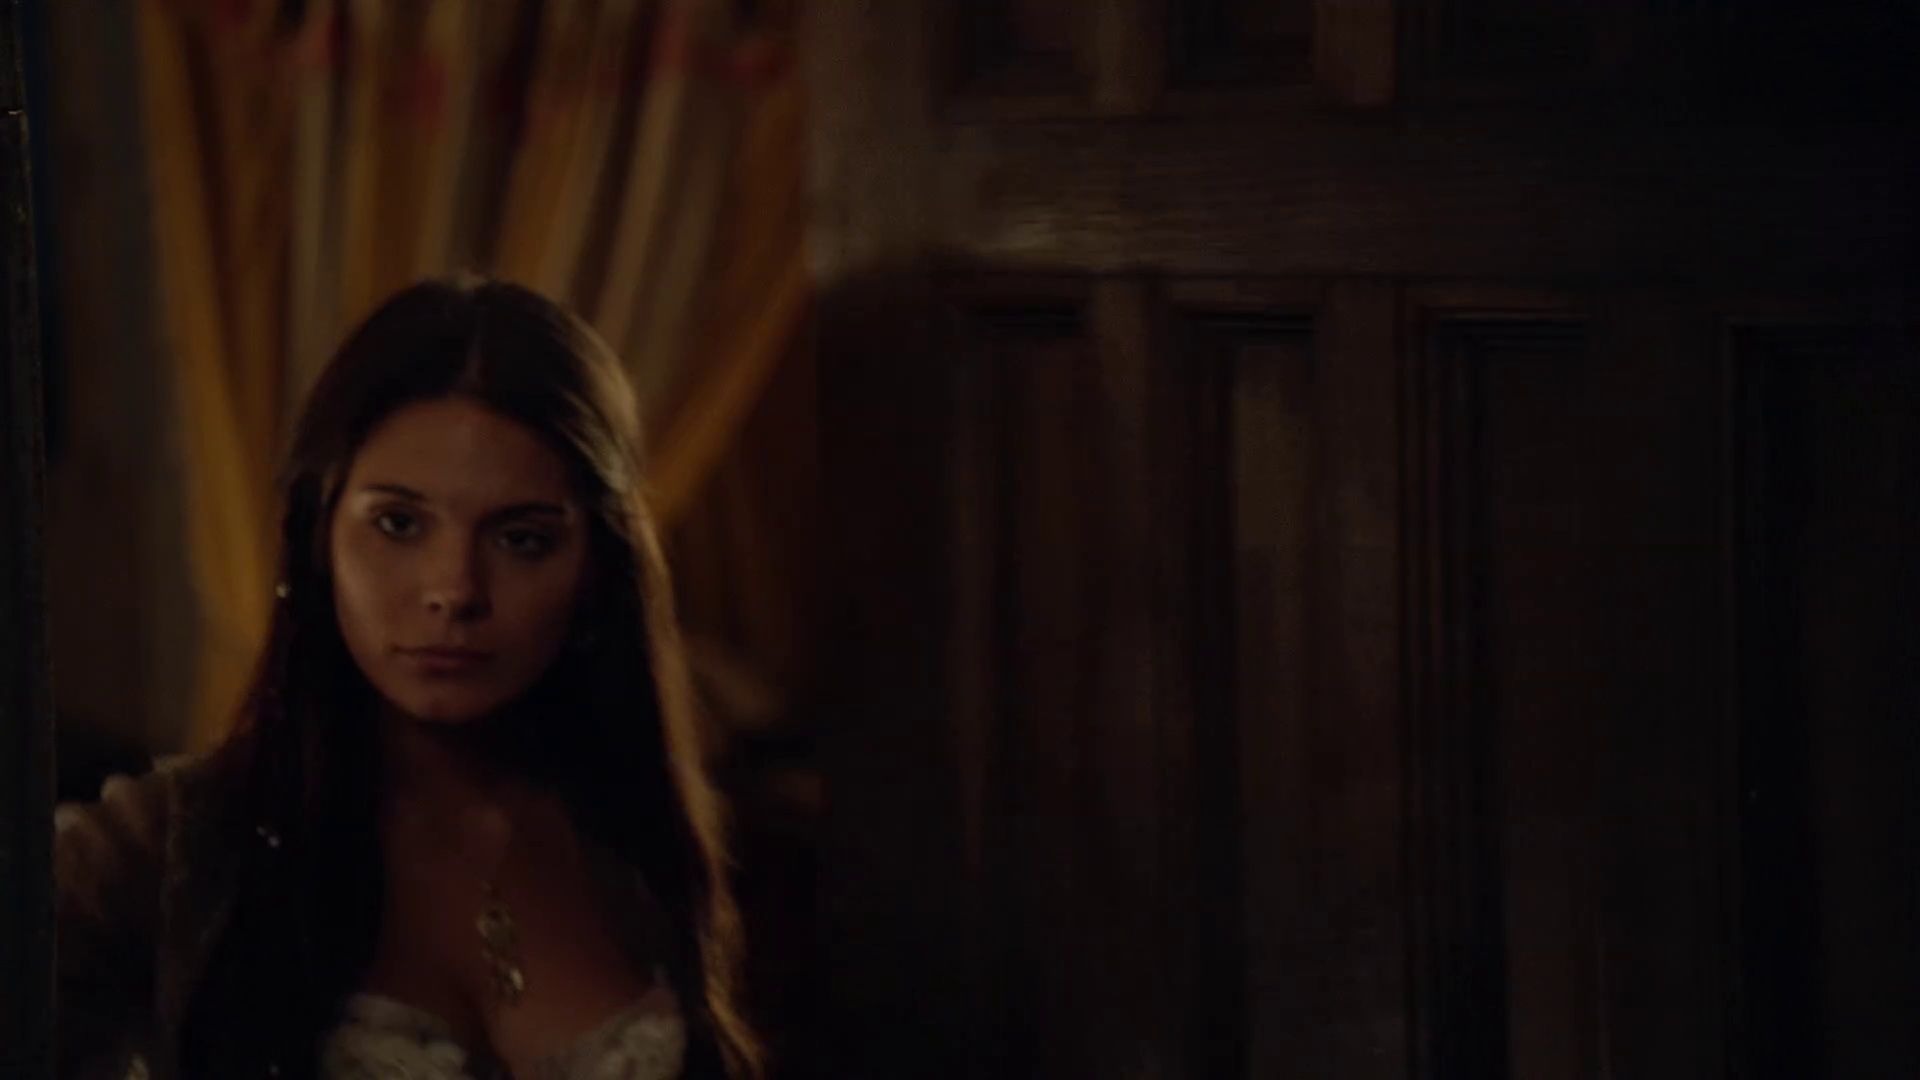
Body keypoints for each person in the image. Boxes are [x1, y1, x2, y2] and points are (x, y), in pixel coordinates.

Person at [52, 276, 765, 1080]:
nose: (455, 590)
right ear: (318, 537)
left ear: (599, 566)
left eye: (523, 539)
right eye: (398, 524)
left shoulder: (634, 829)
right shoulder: (175, 849)